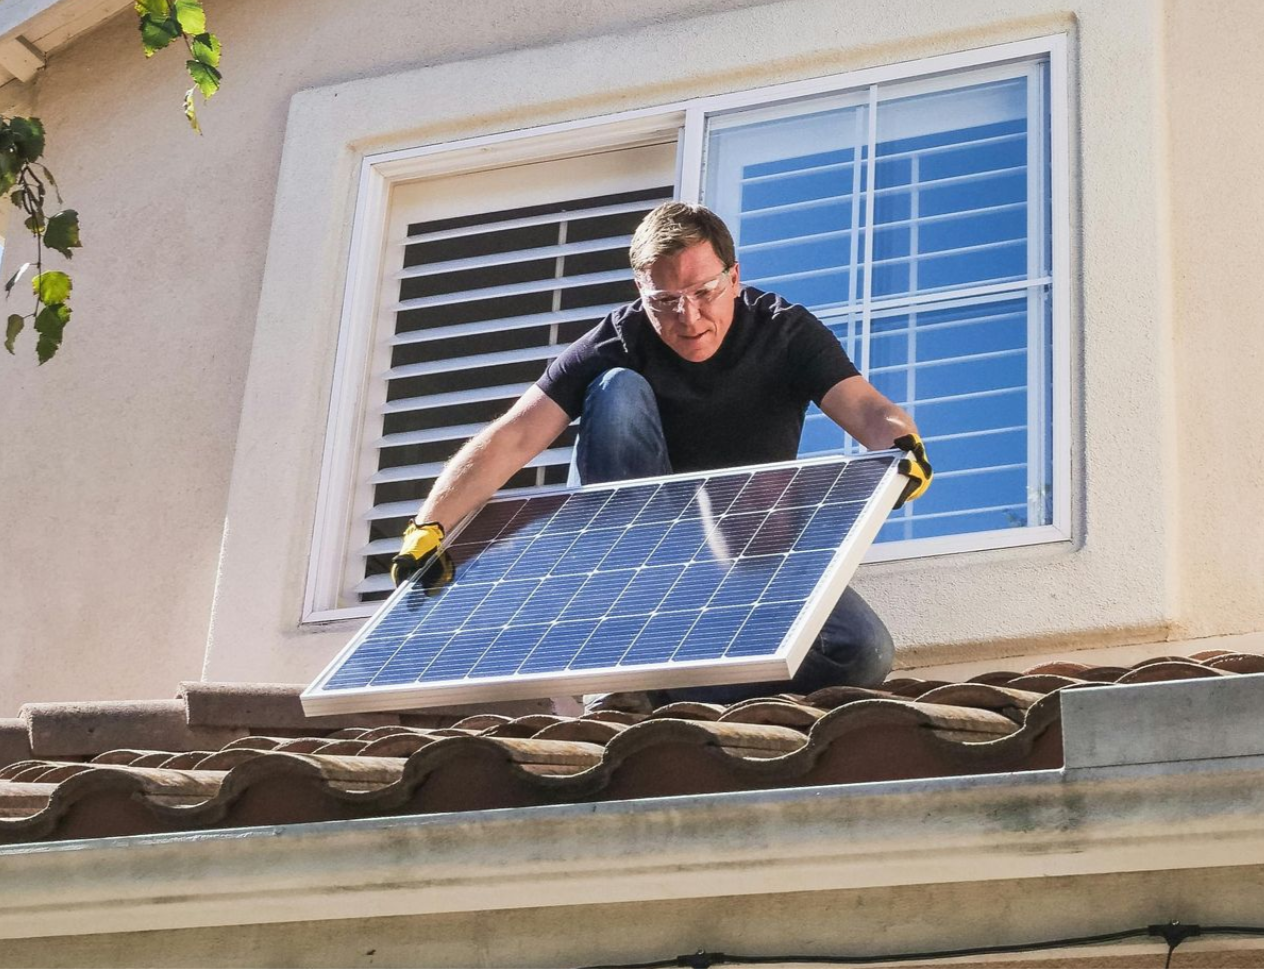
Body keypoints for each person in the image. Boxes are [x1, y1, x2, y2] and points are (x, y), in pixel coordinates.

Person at [390, 202, 931, 703]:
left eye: (703, 293)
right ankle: (631, 648)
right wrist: (430, 525)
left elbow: (864, 408)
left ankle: (670, 689)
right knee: (615, 388)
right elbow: (514, 435)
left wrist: (901, 448)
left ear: (734, 277)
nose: (688, 318)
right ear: (640, 292)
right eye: (665, 302)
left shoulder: (783, 332)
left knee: (860, 652)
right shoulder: (618, 339)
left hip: (752, 548)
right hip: (646, 553)